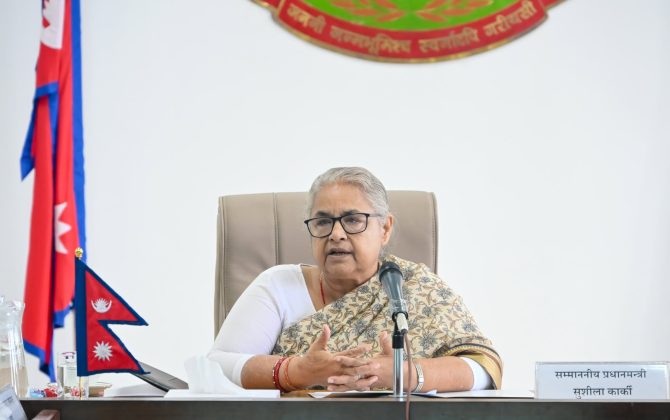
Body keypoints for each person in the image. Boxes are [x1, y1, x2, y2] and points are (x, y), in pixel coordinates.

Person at [208, 167, 502, 392]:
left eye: (352, 220)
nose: (336, 234)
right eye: (323, 222)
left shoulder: (415, 286)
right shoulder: (278, 286)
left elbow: (484, 369)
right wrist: (297, 371)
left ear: (385, 228)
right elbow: (215, 367)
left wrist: (404, 373)